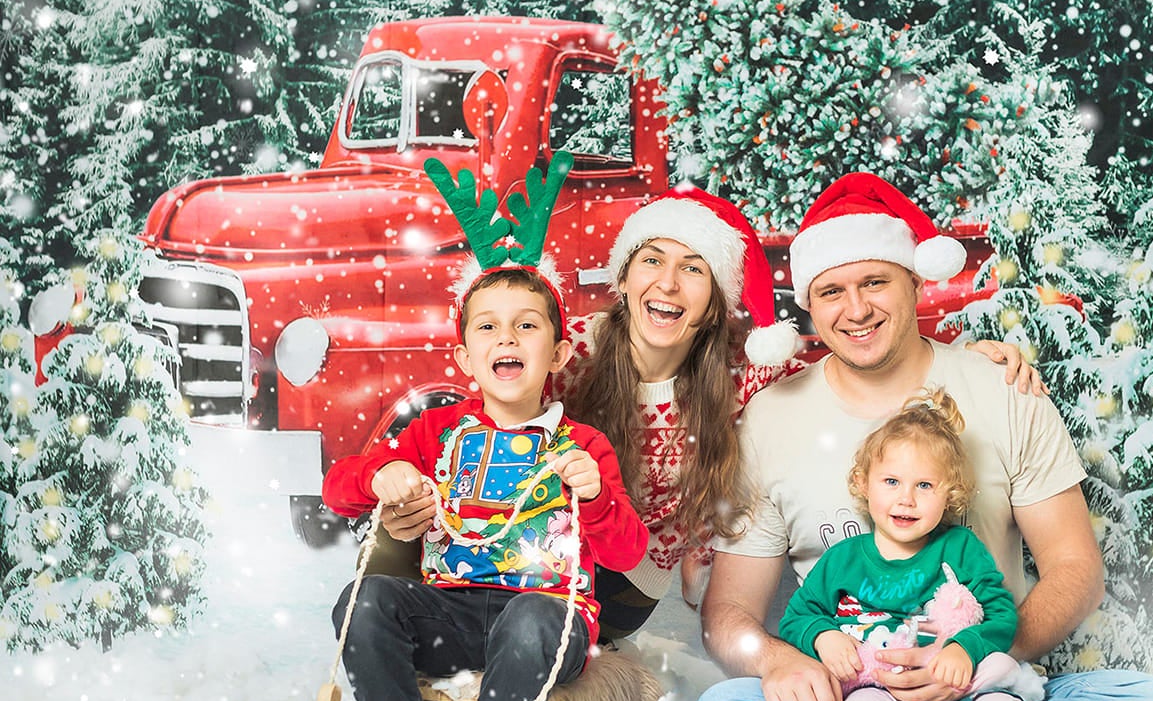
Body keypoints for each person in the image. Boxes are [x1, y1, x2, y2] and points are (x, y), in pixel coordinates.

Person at [691, 170, 1153, 701]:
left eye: (875, 281)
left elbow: (1076, 569)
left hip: (983, 691)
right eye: (832, 292)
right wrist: (780, 660)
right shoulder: (772, 416)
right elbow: (727, 613)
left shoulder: (1002, 390)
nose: (856, 309)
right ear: (809, 307)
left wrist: (974, 659)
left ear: (914, 281)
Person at [365, 187, 1048, 642]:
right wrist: (405, 482)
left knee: (526, 610)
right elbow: (473, 400)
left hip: (618, 576)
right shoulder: (563, 353)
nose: (667, 282)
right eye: (652, 261)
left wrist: (966, 354)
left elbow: (860, 347)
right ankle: (387, 637)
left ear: (713, 300)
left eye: (692, 269)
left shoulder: (742, 376)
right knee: (409, 519)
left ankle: (504, 643)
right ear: (624, 280)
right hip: (521, 536)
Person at [782, 389, 1153, 701]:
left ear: (951, 494)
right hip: (882, 700)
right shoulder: (843, 560)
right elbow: (799, 615)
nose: (906, 499)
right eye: (892, 482)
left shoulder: (959, 549)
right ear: (863, 483)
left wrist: (964, 649)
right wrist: (822, 637)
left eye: (925, 486)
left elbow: (1001, 614)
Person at [321, 265, 647, 701]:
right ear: (464, 358)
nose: (507, 338)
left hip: (548, 619)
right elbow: (337, 487)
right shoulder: (436, 431)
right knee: (363, 601)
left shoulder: (583, 445)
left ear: (559, 354)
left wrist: (597, 496)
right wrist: (381, 473)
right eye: (488, 328)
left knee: (530, 620)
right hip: (449, 611)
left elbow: (629, 553)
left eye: (526, 326)